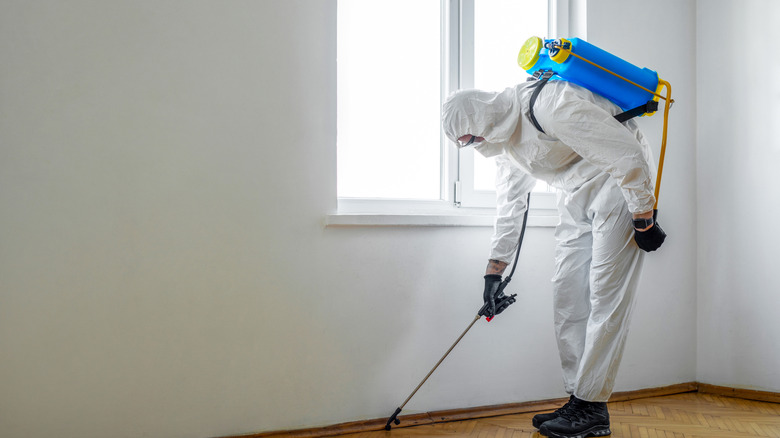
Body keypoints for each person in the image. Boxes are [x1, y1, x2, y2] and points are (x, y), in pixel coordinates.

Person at [441, 79, 667, 438]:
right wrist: (494, 272)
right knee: (567, 295)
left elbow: (626, 153)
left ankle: (592, 404)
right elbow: (510, 206)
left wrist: (644, 218)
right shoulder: (506, 143)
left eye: (467, 140)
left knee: (606, 297)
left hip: (616, 185)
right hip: (574, 192)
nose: (472, 147)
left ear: (479, 120)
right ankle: (579, 399)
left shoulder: (548, 104)